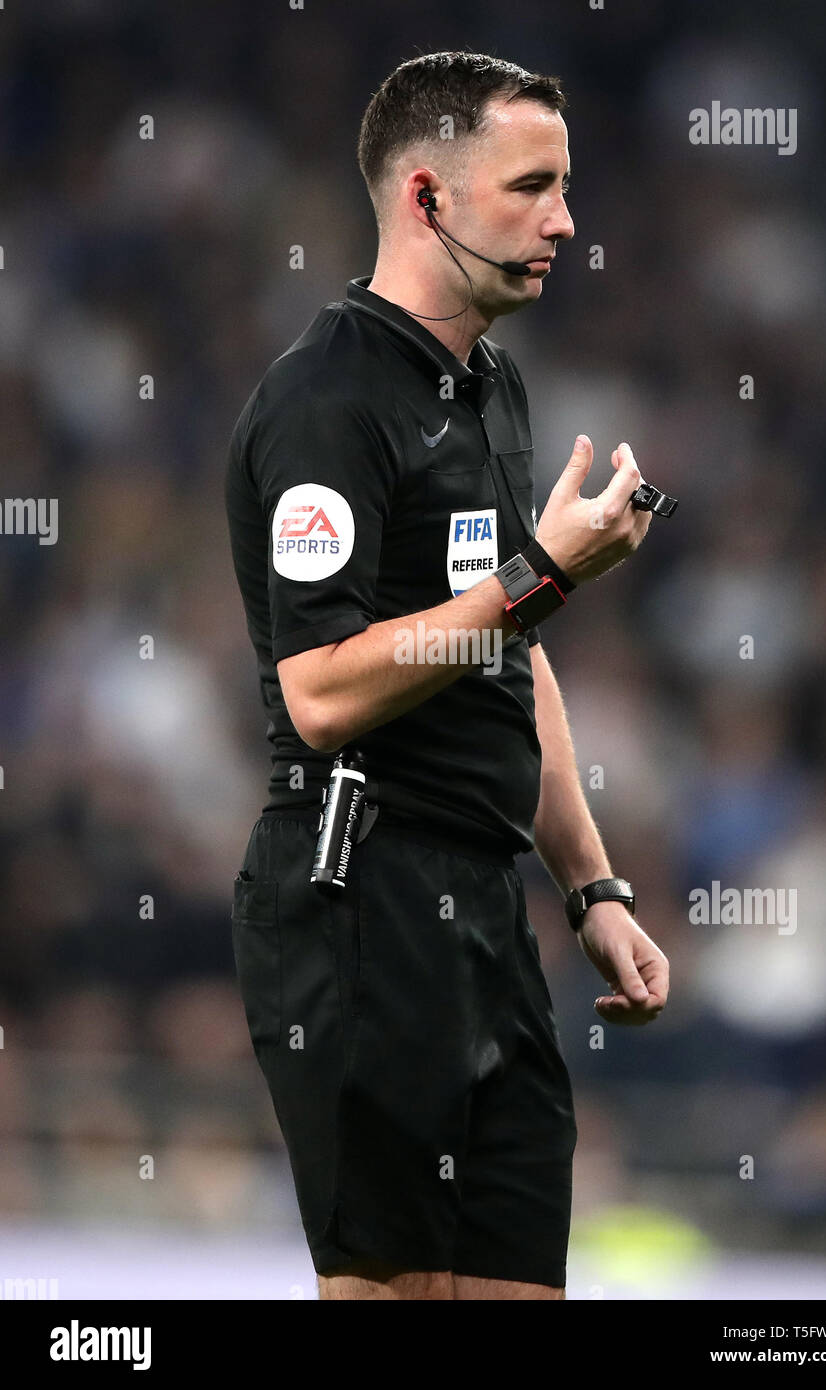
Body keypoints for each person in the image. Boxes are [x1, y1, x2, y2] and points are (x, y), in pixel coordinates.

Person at [225, 50, 669, 1301]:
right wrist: (543, 574)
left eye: (566, 187)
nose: (565, 221)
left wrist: (592, 887)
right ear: (426, 198)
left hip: (485, 908)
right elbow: (316, 692)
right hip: (360, 891)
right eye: (532, 187)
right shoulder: (326, 400)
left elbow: (505, 652)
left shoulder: (489, 386)